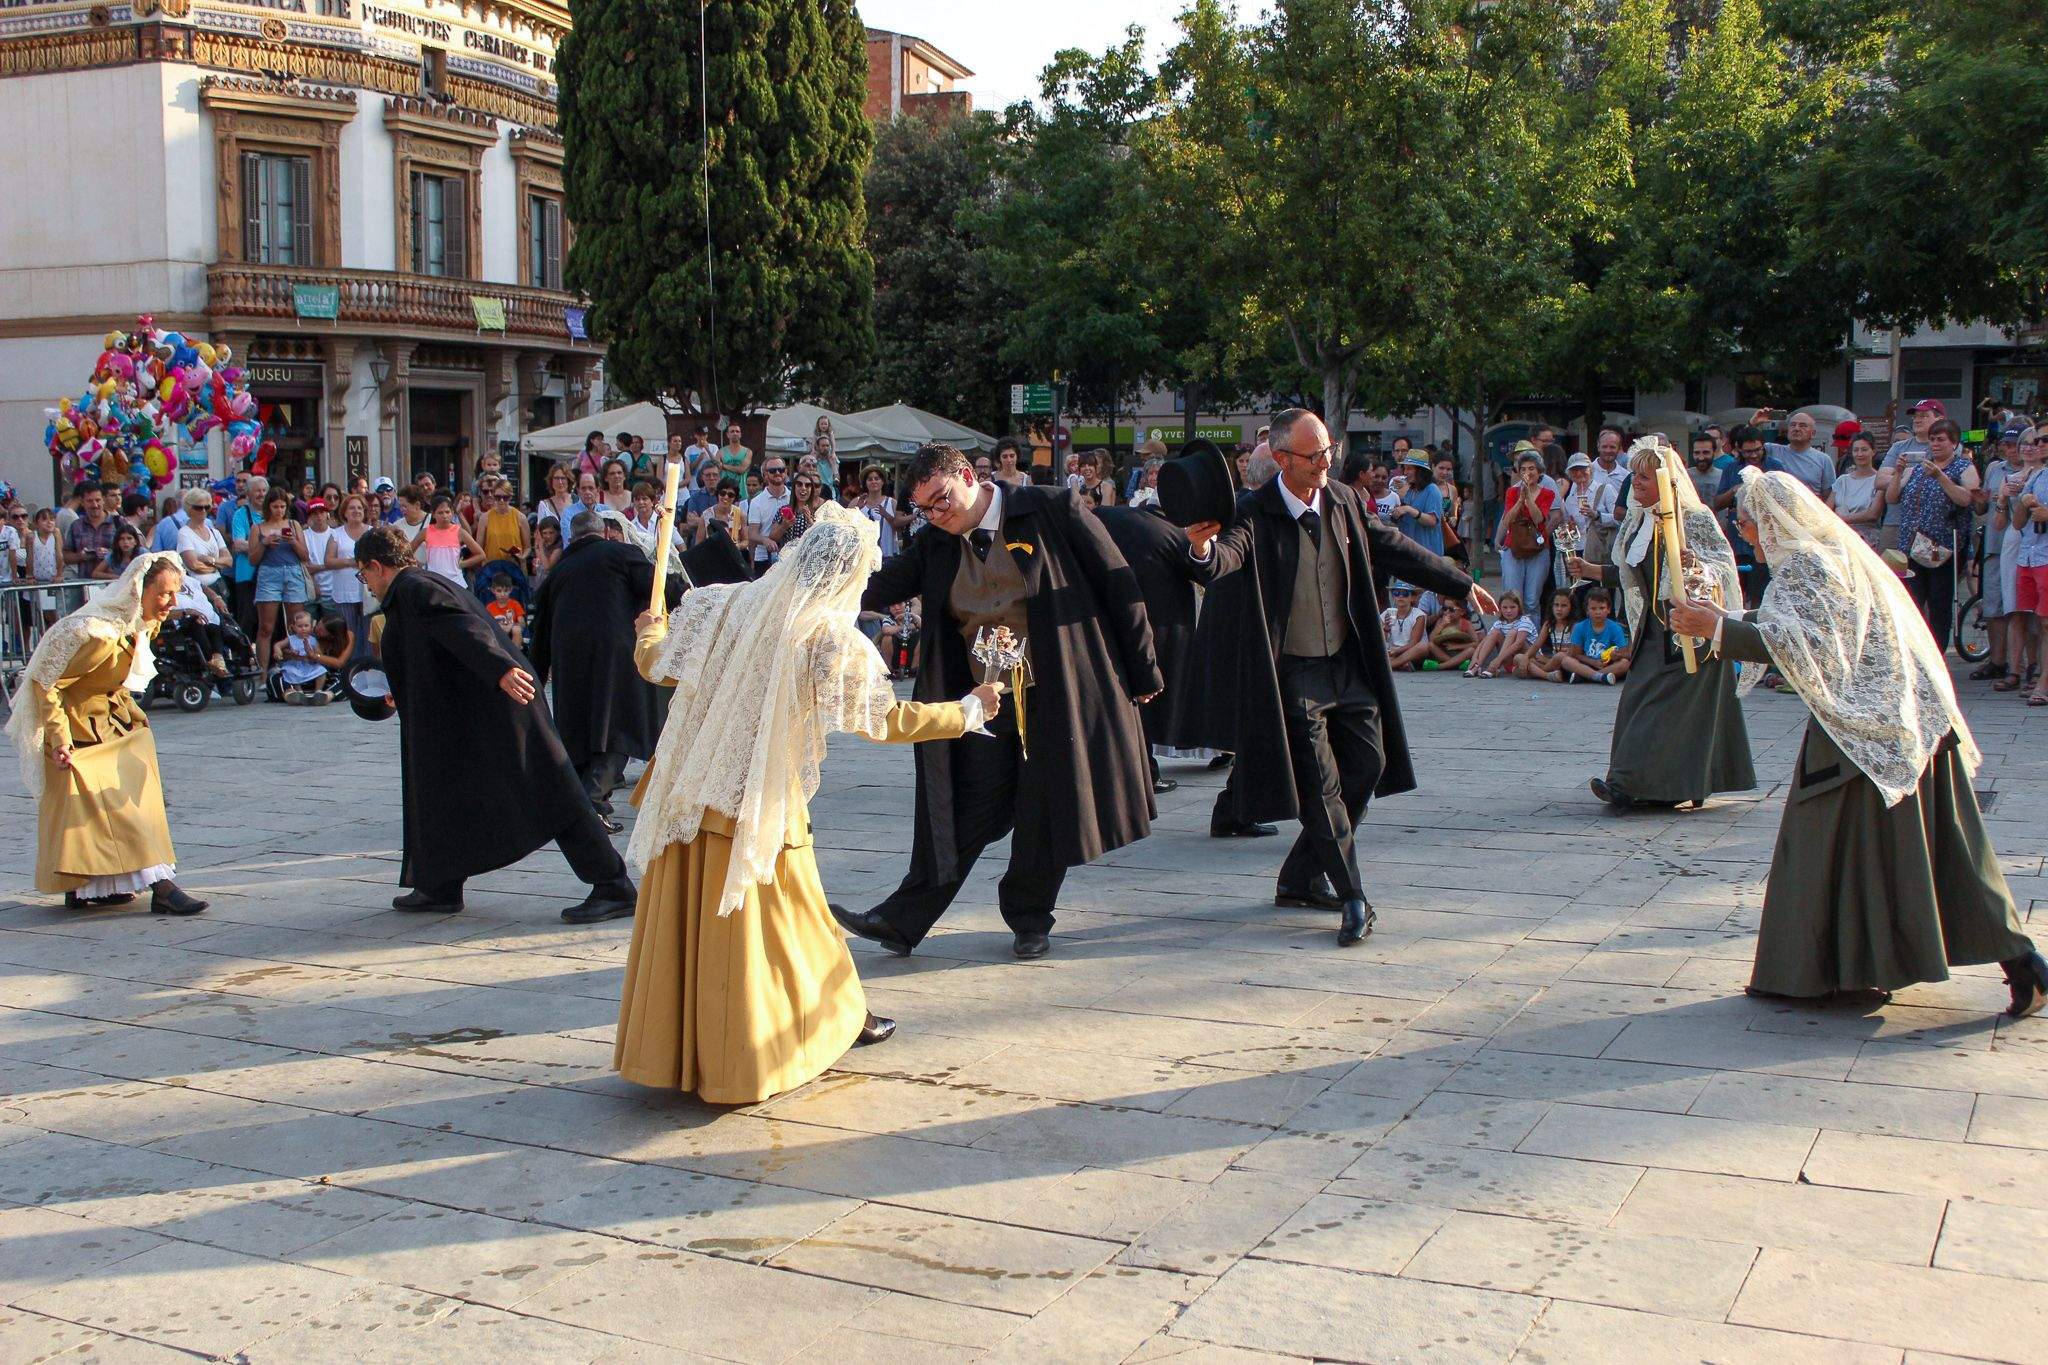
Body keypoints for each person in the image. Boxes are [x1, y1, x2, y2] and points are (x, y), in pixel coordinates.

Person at [616, 503, 996, 1101]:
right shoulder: (824, 636)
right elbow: (883, 718)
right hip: (759, 799)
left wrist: (651, 629)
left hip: (689, 789)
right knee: (789, 919)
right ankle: (788, 1038)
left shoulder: (724, 605)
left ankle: (685, 1047)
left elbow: (656, 665)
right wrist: (969, 710)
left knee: (746, 916)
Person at [1671, 471, 2048, 1019]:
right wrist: (1723, 620)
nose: (1746, 534)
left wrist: (1720, 631)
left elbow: (1800, 648)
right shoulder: (1829, 554)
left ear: (1773, 519)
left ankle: (1833, 970)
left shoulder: (1807, 564)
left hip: (1869, 731)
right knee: (1931, 849)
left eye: (1749, 523)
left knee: (1842, 841)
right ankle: (1994, 964)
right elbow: (1800, 630)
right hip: (1897, 721)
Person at [832, 442, 1162, 961]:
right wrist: (811, 593)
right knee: (967, 802)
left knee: (1043, 806)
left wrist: (1143, 669)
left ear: (968, 476)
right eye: (924, 509)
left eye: (942, 501)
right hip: (985, 698)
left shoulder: (1053, 508)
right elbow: (883, 583)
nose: (936, 516)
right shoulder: (936, 541)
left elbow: (1119, 584)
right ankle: (903, 919)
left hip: (1058, 691)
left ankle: (1030, 917)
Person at [1181, 408, 1492, 946]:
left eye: (1330, 450)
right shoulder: (1253, 513)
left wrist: (1459, 583)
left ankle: (1300, 875)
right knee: (1321, 786)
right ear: (1282, 458)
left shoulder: (1344, 500)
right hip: (1294, 670)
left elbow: (1392, 546)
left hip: (1347, 664)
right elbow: (1224, 557)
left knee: (1368, 765)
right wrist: (1203, 549)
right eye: (1315, 454)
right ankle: (1351, 894)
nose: (1327, 461)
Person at [352, 524, 638, 922]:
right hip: (469, 716)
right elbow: (432, 651)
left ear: (376, 566)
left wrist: (501, 667)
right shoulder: (415, 587)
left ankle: (613, 885)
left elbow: (462, 627)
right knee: (443, 795)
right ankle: (439, 885)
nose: (363, 583)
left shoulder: (417, 588)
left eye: (362, 573)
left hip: (503, 706)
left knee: (555, 795)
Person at [5, 552, 208, 915]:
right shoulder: (97, 632)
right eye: (164, 594)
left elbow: (116, 682)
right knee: (118, 811)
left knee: (123, 805)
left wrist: (132, 712)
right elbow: (46, 682)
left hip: (109, 722)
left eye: (175, 593)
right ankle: (160, 886)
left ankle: (91, 888)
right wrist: (59, 738)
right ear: (138, 591)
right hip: (78, 729)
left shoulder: (140, 624)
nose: (172, 602)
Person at [1566, 438, 1754, 810]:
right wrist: (1590, 570)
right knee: (1638, 705)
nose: (1636, 482)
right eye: (1634, 475)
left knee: (1677, 716)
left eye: (1645, 477)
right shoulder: (1638, 519)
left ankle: (1640, 784)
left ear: (1667, 482)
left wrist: (1694, 569)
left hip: (1690, 635)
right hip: (1652, 633)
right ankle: (1632, 781)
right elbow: (1632, 573)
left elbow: (1720, 569)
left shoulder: (1694, 519)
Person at [530, 510, 680, 822]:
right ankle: (590, 802)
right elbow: (657, 584)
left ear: (572, 537)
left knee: (581, 729)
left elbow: (540, 632)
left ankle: (586, 800)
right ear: (605, 533)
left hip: (569, 660)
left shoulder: (557, 572)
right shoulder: (620, 553)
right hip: (615, 654)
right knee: (618, 727)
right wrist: (691, 594)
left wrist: (534, 675)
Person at [1095, 501, 1203, 795]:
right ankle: (1146, 774)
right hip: (1154, 627)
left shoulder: (1109, 516)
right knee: (1144, 700)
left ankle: (1136, 772)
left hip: (1106, 621)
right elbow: (1204, 572)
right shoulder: (1172, 535)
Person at [1883, 416, 1978, 651]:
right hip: (1912, 546)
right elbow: (1892, 498)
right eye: (1933, 440)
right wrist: (1898, 472)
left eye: (1941, 440)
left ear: (1954, 443)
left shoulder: (1962, 466)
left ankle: (1938, 652)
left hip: (1941, 547)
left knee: (1938, 602)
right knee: (1912, 602)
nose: (1935, 444)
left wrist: (1940, 477)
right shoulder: (1918, 467)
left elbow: (1967, 498)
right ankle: (1914, 651)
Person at [1496, 447, 1555, 611]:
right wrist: (1520, 500)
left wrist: (1529, 496)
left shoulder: (1548, 493)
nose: (1527, 472)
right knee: (1513, 598)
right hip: (1514, 545)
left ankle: (1532, 636)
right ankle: (1512, 634)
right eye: (1523, 469)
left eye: (1531, 468)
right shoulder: (1512, 491)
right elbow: (1508, 519)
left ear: (1539, 471)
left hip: (1538, 547)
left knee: (1531, 601)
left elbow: (1538, 519)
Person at [410, 494, 486, 587]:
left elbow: (481, 554)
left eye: (447, 512)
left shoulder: (460, 532)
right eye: (440, 513)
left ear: (452, 513)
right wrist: (419, 565)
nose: (444, 516)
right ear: (433, 514)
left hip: (456, 582)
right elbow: (408, 551)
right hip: (434, 582)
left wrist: (462, 564)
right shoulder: (426, 532)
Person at [1561, 587, 1630, 684]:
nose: (1598, 612)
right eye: (1593, 608)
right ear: (1587, 610)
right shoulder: (1580, 627)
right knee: (1566, 660)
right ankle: (1600, 677)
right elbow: (1575, 654)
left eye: (1601, 608)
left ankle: (1586, 676)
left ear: (1608, 609)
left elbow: (1625, 654)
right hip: (1586, 663)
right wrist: (1592, 662)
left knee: (1625, 663)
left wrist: (1616, 656)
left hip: (1606, 666)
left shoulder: (1615, 628)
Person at [1828, 432, 1886, 547]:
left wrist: (1841, 519)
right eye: (1856, 450)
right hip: (1839, 538)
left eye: (1864, 450)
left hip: (1866, 541)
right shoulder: (1842, 480)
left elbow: (1873, 514)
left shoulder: (1879, 480)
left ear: (1873, 452)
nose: (1859, 454)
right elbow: (1827, 508)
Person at [1464, 590, 1534, 679]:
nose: (1508, 611)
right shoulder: (1499, 622)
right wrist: (1474, 658)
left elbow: (1518, 644)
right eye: (1505, 607)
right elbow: (1484, 641)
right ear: (1500, 608)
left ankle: (1493, 668)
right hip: (1508, 661)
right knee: (1494, 632)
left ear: (1519, 608)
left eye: (1512, 607)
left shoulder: (1524, 621)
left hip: (1524, 660)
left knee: (1512, 633)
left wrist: (1497, 660)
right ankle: (1476, 666)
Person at [1518, 588, 1580, 684]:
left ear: (1571, 607)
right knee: (1518, 657)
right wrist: (1526, 657)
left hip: (1566, 663)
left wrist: (1547, 660)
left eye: (1564, 606)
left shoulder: (1573, 625)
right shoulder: (1549, 624)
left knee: (1559, 656)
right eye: (1556, 605)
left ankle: (1541, 673)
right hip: (1552, 663)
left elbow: (1572, 653)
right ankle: (1549, 675)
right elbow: (1536, 645)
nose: (1559, 609)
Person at [274, 608, 332, 705]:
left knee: (321, 670)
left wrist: (312, 654)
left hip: (309, 665)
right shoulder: (291, 639)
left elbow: (319, 655)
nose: (303, 628)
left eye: (306, 626)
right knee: (289, 670)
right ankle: (298, 691)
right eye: (300, 626)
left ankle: (318, 691)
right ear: (293, 627)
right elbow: (278, 645)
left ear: (311, 627)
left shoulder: (313, 640)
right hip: (296, 665)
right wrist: (278, 652)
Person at [744, 456, 791, 572]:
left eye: (781, 469)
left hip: (789, 555)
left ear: (786, 472)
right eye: (772, 470)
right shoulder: (756, 502)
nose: (777, 473)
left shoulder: (793, 497)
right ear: (765, 475)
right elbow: (752, 534)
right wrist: (765, 540)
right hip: (763, 557)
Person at [852, 464, 908, 557]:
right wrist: (856, 510)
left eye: (876, 478)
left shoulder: (892, 503)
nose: (873, 481)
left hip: (887, 556)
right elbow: (846, 526)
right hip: (863, 558)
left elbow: (901, 529)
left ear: (882, 482)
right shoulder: (856, 502)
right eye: (870, 479)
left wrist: (886, 515)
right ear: (865, 483)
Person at [1424, 597, 1477, 671]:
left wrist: (1458, 646)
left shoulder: (1466, 623)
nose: (1447, 612)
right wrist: (1441, 625)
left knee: (1471, 650)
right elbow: (1431, 639)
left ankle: (1440, 666)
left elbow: (1476, 643)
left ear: (1462, 612)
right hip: (1443, 652)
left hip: (1459, 653)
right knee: (1430, 645)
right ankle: (1456, 664)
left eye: (1451, 609)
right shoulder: (1440, 621)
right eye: (1444, 608)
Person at [484, 572, 525, 646]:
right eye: (499, 591)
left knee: (517, 629)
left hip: (513, 631)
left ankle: (516, 654)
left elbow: (522, 623)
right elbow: (487, 624)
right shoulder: (489, 607)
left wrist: (511, 626)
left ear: (511, 590)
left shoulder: (515, 604)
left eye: (506, 590)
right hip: (497, 632)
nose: (502, 594)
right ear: (493, 590)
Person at [717, 422, 752, 494]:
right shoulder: (720, 452)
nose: (735, 433)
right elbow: (717, 469)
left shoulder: (748, 452)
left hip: (742, 492)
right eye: (732, 431)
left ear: (740, 434)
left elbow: (742, 469)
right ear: (727, 435)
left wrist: (724, 466)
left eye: (737, 431)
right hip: (725, 493)